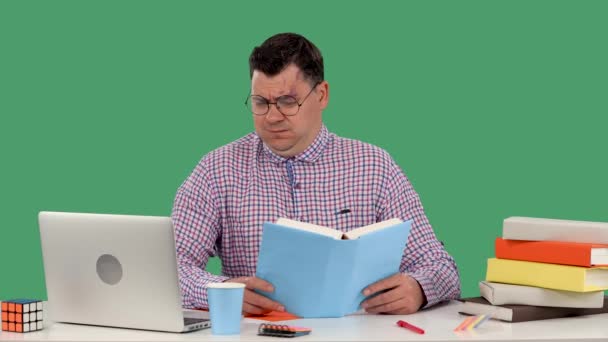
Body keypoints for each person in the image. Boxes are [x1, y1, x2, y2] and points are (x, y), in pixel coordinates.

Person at [172, 32, 460, 315]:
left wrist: (419, 288)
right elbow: (170, 267)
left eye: (287, 101)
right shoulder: (217, 169)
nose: (272, 117)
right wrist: (221, 290)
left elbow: (439, 265)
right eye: (260, 103)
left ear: (322, 95)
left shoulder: (374, 166)